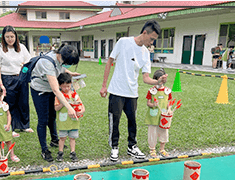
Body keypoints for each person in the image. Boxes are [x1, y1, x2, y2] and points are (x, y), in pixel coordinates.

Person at [100, 19, 167, 162]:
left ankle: (132, 146)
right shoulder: (123, 42)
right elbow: (110, 62)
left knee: (132, 121)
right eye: (152, 39)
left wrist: (158, 82)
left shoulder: (145, 54)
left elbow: (146, 78)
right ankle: (114, 147)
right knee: (115, 121)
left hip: (132, 93)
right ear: (144, 33)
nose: (152, 43)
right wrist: (104, 85)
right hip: (116, 91)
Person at [30, 44, 80, 162]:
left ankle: (54, 140)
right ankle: (44, 149)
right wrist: (70, 108)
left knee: (52, 116)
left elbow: (61, 68)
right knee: (43, 119)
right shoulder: (47, 63)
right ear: (61, 56)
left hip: (51, 89)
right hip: (40, 90)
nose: (68, 65)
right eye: (68, 63)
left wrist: (71, 73)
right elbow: (56, 90)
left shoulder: (60, 58)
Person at [0, 25, 33, 138]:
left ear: (16, 37)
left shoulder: (22, 47)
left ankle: (25, 125)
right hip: (7, 78)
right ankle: (12, 127)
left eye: (12, 36)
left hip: (21, 78)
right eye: (7, 37)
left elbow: (28, 63)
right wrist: (0, 83)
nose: (10, 39)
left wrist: (23, 72)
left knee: (23, 101)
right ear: (3, 37)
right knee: (10, 103)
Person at [54, 73, 85, 162]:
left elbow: (81, 105)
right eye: (64, 87)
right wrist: (64, 102)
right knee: (62, 138)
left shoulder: (74, 94)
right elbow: (56, 108)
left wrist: (81, 111)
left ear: (71, 84)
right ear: (59, 86)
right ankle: (60, 152)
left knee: (72, 137)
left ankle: (73, 152)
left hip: (73, 121)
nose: (66, 88)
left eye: (68, 86)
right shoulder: (58, 96)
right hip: (63, 121)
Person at [144, 69, 172, 158]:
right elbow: (148, 103)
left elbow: (169, 102)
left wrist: (169, 109)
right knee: (152, 133)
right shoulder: (151, 90)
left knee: (164, 132)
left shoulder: (167, 91)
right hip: (153, 115)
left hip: (164, 116)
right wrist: (153, 104)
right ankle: (152, 149)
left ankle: (162, 149)